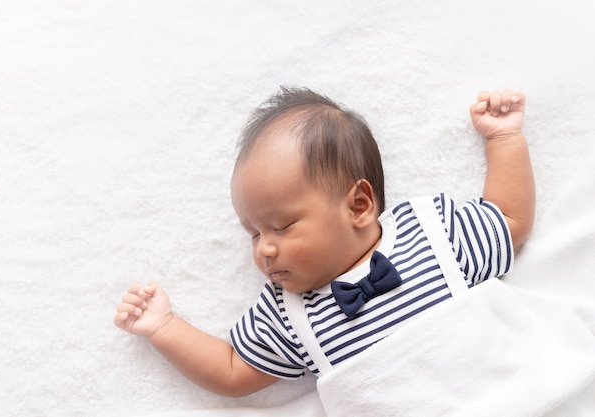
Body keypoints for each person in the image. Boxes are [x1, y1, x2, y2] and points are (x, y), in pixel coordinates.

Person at [114, 86, 535, 397]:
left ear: (358, 206)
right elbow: (231, 371)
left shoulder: (430, 232)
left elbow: (509, 220)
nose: (264, 248)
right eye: (254, 233)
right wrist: (165, 328)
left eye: (282, 225)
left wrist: (503, 140)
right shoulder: (289, 314)